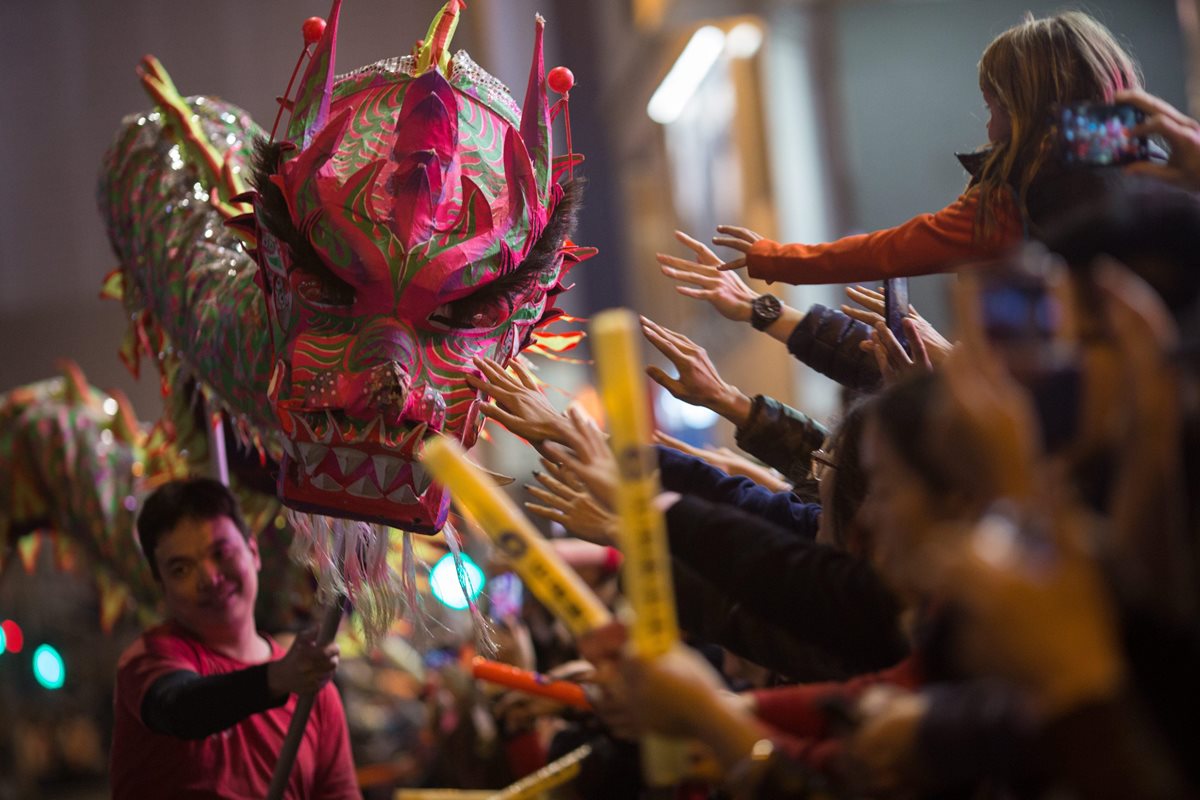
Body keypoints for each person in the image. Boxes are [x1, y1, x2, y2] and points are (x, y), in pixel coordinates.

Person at [712, 11, 1143, 285]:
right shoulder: (1157, 166)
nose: (991, 131)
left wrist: (775, 258)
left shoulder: (1016, 198)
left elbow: (887, 251)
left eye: (996, 109)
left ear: (1028, 108)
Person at [110, 477, 359, 799]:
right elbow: (180, 708)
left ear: (253, 552)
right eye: (181, 569)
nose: (209, 578)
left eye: (221, 552)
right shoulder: (149, 659)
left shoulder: (313, 690)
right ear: (163, 588)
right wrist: (278, 678)